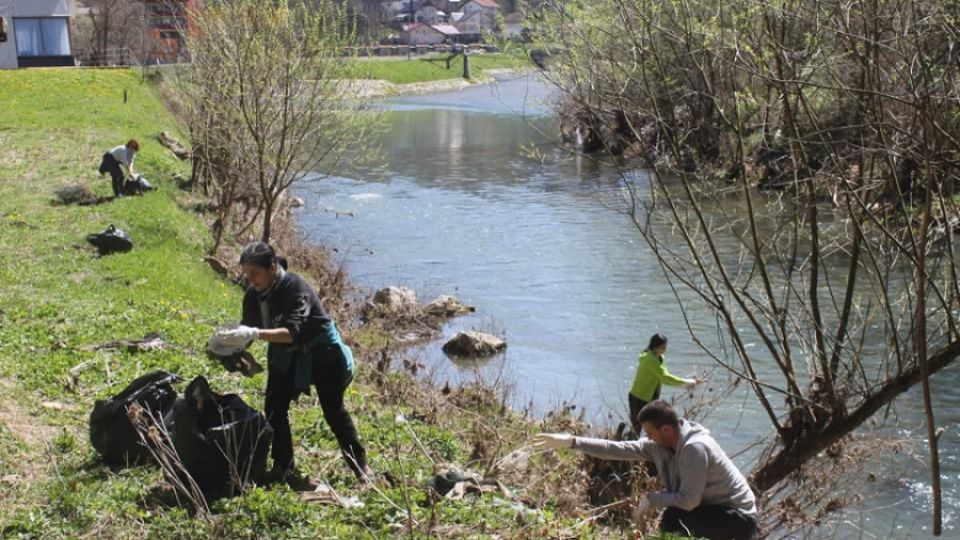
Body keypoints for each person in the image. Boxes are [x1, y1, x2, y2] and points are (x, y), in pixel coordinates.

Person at [215, 242, 372, 486]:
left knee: (333, 410)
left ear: (272, 267)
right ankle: (283, 466)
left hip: (322, 349)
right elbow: (247, 332)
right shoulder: (252, 296)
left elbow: (291, 333)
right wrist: (225, 347)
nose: (251, 279)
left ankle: (361, 467)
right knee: (275, 408)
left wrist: (254, 333)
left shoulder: (295, 287)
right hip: (284, 353)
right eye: (247, 274)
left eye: (255, 273)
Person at [535, 400, 758, 540]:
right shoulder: (658, 446)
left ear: (667, 429)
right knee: (675, 517)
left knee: (674, 517)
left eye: (650, 432)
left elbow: (689, 501)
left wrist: (652, 499)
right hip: (712, 510)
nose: (646, 437)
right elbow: (616, 449)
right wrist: (570, 442)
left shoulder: (695, 448)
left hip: (738, 519)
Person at [628, 333, 699, 433]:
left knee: (653, 426)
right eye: (663, 347)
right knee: (637, 429)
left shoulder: (659, 357)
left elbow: (664, 376)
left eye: (665, 347)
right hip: (639, 397)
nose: (665, 350)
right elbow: (665, 378)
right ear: (655, 347)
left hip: (650, 398)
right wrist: (687, 382)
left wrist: (687, 383)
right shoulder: (650, 360)